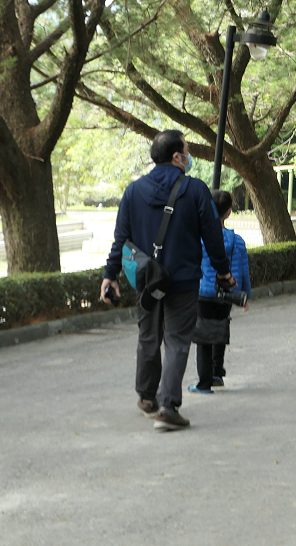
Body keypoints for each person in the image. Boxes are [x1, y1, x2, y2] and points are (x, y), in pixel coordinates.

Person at [100, 129, 235, 432]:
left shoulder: (133, 191)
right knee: (176, 341)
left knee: (149, 336)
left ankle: (147, 398)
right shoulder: (196, 190)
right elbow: (213, 238)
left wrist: (110, 276)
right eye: (187, 150)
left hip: (148, 280)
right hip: (183, 281)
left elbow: (121, 240)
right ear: (177, 157)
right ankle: (167, 407)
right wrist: (224, 272)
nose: (188, 155)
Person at [190, 190, 251, 395]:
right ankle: (216, 373)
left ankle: (204, 383)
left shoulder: (198, 239)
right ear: (228, 213)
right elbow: (243, 270)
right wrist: (244, 296)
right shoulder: (238, 241)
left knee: (203, 338)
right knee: (219, 331)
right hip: (227, 294)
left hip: (203, 292)